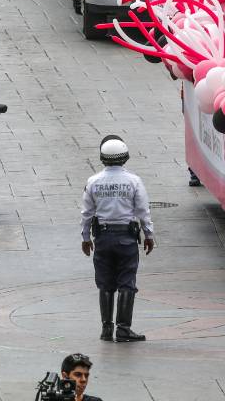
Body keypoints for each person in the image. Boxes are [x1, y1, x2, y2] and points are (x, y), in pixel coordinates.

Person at [81, 135, 154, 343]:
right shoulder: (133, 181)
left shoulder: (93, 181)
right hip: (126, 239)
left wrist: (86, 238)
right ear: (125, 157)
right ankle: (123, 329)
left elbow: (86, 213)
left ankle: (106, 329)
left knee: (105, 283)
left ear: (103, 158)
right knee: (126, 282)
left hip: (102, 238)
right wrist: (148, 235)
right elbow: (143, 211)